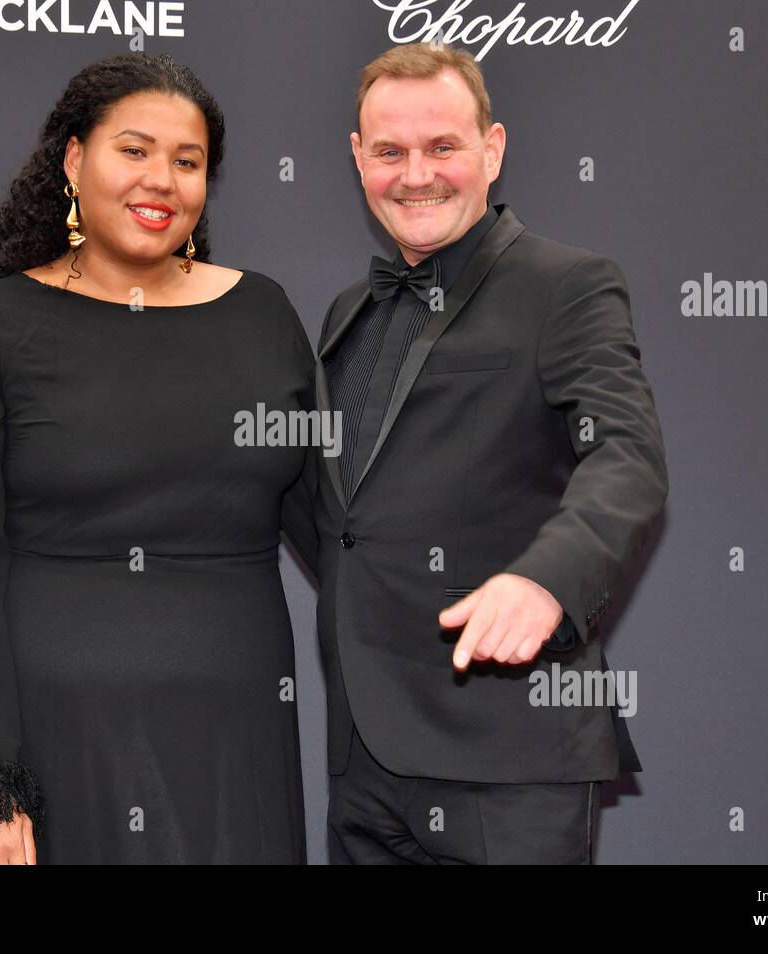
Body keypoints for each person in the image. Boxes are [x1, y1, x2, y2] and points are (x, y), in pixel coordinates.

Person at [0, 52, 319, 864]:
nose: (162, 180)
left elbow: (344, 527)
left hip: (237, 748)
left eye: (188, 162)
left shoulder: (264, 315)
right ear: (74, 161)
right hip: (58, 750)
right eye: (134, 151)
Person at [312, 43, 668, 864]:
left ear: (492, 150)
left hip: (508, 755)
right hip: (364, 759)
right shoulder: (345, 313)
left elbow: (627, 454)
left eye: (442, 147)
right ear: (358, 159)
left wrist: (544, 578)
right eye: (391, 152)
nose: (416, 175)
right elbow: (342, 516)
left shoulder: (568, 286)